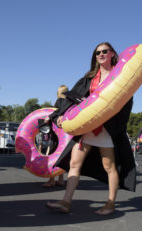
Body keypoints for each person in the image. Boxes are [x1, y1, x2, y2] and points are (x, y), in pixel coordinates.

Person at [45, 42, 136, 215]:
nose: (101, 54)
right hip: (87, 128)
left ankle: (110, 203)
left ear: (112, 54)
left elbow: (126, 103)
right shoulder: (88, 78)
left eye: (104, 51)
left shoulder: (121, 76)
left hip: (107, 129)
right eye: (97, 53)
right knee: (73, 164)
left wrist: (116, 126)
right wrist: (60, 115)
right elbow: (72, 97)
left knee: (109, 166)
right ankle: (66, 202)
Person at [41, 85, 68, 187]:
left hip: (56, 134)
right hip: (64, 135)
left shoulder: (59, 101)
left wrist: (49, 117)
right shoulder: (69, 103)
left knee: (52, 155)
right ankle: (61, 179)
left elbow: (56, 113)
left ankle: (51, 179)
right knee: (61, 157)